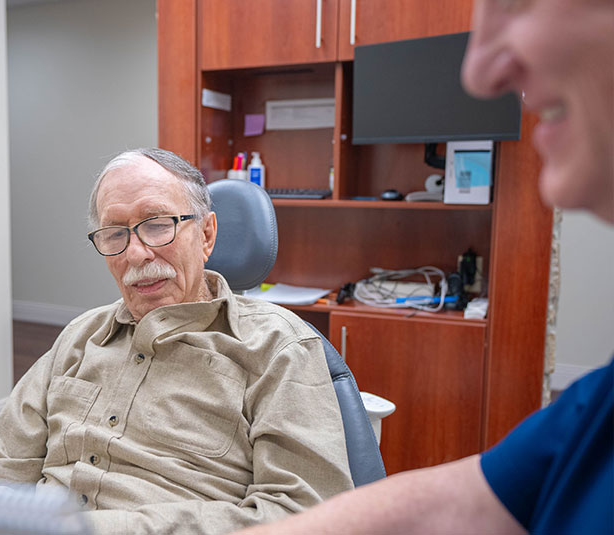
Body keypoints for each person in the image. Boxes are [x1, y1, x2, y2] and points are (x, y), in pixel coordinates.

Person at [231, 0, 614, 533]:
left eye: (519, 4)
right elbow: (454, 502)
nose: (479, 73)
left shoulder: (278, 343)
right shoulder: (600, 408)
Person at [0, 147, 353, 534]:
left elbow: (304, 513)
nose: (136, 253)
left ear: (206, 235)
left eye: (157, 224)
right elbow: (0, 468)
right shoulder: (78, 338)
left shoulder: (278, 348)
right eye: (115, 232)